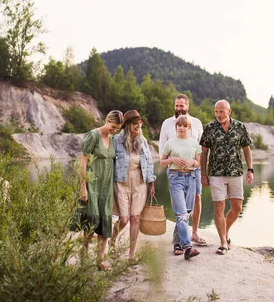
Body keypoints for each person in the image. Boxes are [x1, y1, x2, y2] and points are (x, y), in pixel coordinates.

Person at [200, 100, 253, 256]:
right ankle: (223, 242)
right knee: (219, 207)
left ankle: (226, 231)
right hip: (215, 173)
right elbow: (204, 153)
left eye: (221, 111)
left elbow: (246, 149)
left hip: (236, 172)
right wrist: (203, 174)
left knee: (237, 208)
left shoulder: (239, 127)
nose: (218, 115)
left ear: (229, 111)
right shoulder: (209, 128)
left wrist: (250, 169)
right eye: (216, 112)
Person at [159, 94, 207, 248]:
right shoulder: (167, 123)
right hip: (175, 171)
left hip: (194, 171)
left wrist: (197, 165)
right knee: (179, 206)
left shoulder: (197, 123)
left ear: (187, 106)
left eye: (182, 106)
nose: (179, 109)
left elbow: (200, 148)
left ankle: (194, 233)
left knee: (196, 200)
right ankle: (180, 242)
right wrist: (170, 164)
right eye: (176, 106)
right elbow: (162, 148)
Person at [78, 110, 124, 271]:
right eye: (113, 127)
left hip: (106, 187)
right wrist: (83, 186)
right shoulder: (93, 136)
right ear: (106, 120)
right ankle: (83, 259)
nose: (114, 130)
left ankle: (99, 261)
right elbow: (83, 162)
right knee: (91, 224)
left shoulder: (112, 139)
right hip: (92, 185)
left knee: (105, 224)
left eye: (118, 128)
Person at [110, 110, 156, 261]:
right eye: (135, 124)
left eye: (139, 124)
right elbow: (110, 162)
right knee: (124, 219)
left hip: (139, 182)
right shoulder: (116, 140)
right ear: (127, 125)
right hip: (121, 182)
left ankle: (131, 254)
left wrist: (152, 183)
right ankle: (112, 241)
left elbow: (149, 163)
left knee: (135, 218)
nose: (138, 126)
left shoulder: (142, 142)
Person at [160, 115, 201, 260]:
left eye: (185, 126)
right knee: (182, 214)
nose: (182, 128)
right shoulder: (170, 143)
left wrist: (192, 162)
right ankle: (187, 247)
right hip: (175, 178)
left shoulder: (194, 143)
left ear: (189, 128)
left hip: (191, 178)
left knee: (186, 213)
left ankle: (177, 244)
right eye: (179, 125)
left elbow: (199, 163)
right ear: (176, 127)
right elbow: (162, 162)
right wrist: (172, 159)